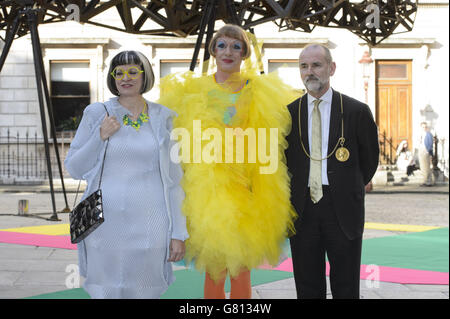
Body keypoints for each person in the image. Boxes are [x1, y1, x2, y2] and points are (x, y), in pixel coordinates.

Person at [159, 24, 297, 299]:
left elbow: (277, 133)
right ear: (212, 50)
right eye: (222, 45)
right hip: (207, 188)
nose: (228, 52)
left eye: (236, 46)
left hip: (247, 187)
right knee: (214, 263)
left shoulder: (259, 89)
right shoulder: (194, 89)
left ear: (245, 53)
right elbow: (171, 134)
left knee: (241, 265)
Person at [64, 50, 188, 299]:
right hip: (104, 224)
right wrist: (99, 137)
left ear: (145, 76)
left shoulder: (165, 117)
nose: (125, 77)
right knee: (106, 289)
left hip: (153, 223)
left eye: (133, 71)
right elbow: (75, 168)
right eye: (118, 72)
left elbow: (175, 181)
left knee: (145, 289)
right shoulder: (96, 113)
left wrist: (179, 233)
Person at [285, 44, 379, 299]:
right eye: (304, 66)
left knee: (346, 285)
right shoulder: (288, 114)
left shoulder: (356, 111)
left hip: (342, 209)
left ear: (331, 68)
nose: (309, 72)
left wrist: (350, 186)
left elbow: (370, 160)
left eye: (316, 65)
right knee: (307, 286)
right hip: (302, 210)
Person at [418, 122, 434, 186]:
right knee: (422, 167)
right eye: (423, 127)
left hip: (425, 151)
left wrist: (428, 151)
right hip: (421, 151)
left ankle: (428, 181)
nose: (424, 128)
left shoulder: (428, 134)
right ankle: (424, 181)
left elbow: (430, 143)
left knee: (426, 167)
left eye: (425, 127)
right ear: (421, 127)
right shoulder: (421, 134)